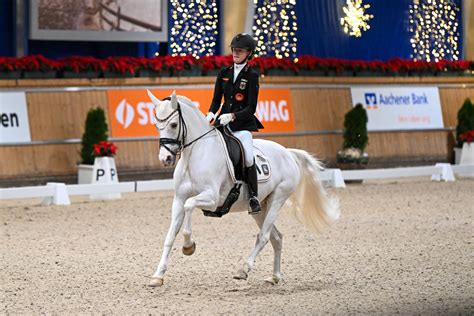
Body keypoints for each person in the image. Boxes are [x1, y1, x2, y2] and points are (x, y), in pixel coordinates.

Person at [206, 32, 264, 215]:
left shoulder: (252, 76)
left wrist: (232, 116)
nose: (235, 53)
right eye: (234, 50)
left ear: (249, 53)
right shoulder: (224, 73)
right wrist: (210, 113)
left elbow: (251, 108)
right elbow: (216, 100)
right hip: (222, 122)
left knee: (247, 156)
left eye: (240, 50)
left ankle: (254, 197)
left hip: (242, 125)